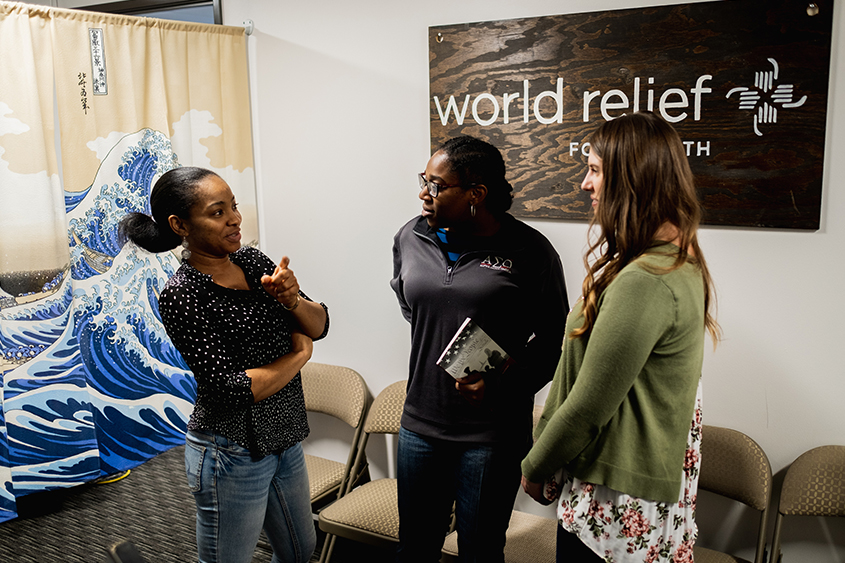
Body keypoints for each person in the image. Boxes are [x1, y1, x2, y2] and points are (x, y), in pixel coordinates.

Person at [520, 112, 720, 563]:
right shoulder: (676, 261)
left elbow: (589, 405)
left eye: (593, 170)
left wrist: (535, 467)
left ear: (633, 179)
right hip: (639, 502)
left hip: (613, 510)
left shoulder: (645, 280)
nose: (584, 184)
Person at [119, 167, 328, 563]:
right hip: (230, 450)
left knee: (301, 550)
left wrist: (293, 301)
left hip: (283, 435)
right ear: (180, 225)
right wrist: (299, 356)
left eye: (232, 206)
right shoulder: (183, 293)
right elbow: (230, 388)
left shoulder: (252, 261)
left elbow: (319, 326)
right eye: (217, 212)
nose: (234, 218)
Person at [390, 135, 568, 563]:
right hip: (421, 425)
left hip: (490, 436)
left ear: (476, 194)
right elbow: (412, 307)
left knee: (481, 550)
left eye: (436, 185)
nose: (423, 193)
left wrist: (503, 383)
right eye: (423, 181)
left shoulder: (531, 251)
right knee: (414, 546)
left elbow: (552, 339)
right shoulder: (410, 236)